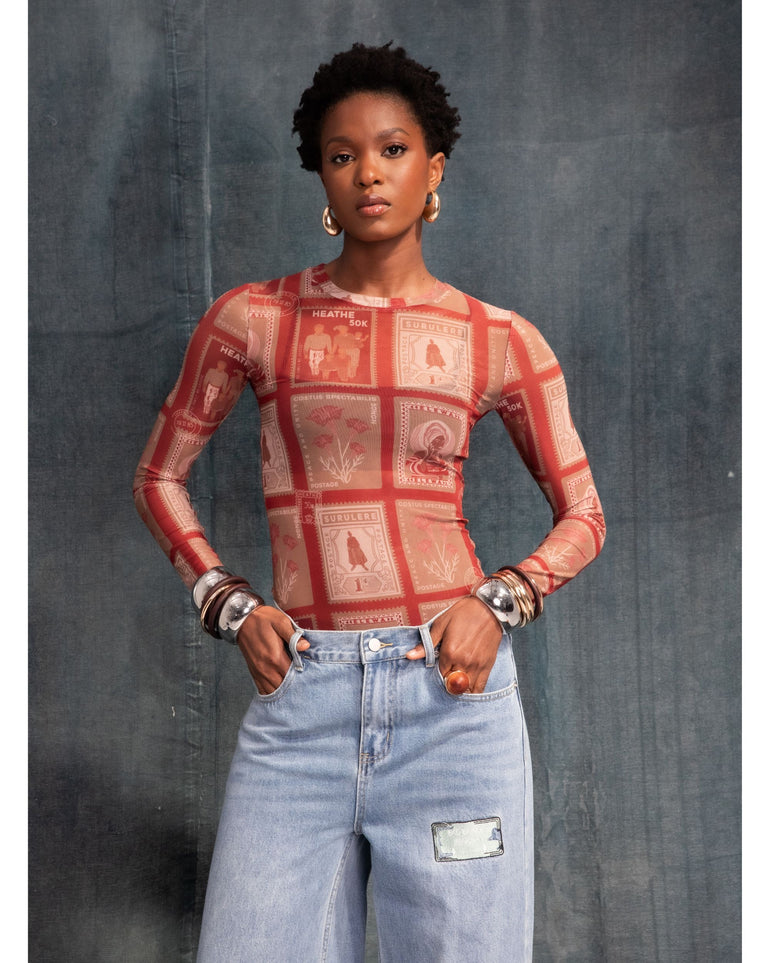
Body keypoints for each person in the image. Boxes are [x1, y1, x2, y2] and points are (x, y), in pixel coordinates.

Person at [133, 42, 605, 962]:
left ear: (435, 168)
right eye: (342, 154)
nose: (368, 174)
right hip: (300, 701)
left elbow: (584, 514)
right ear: (321, 174)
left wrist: (499, 600)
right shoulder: (253, 320)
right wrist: (228, 603)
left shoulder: (498, 338)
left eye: (392, 150)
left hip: (450, 703)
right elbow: (159, 476)